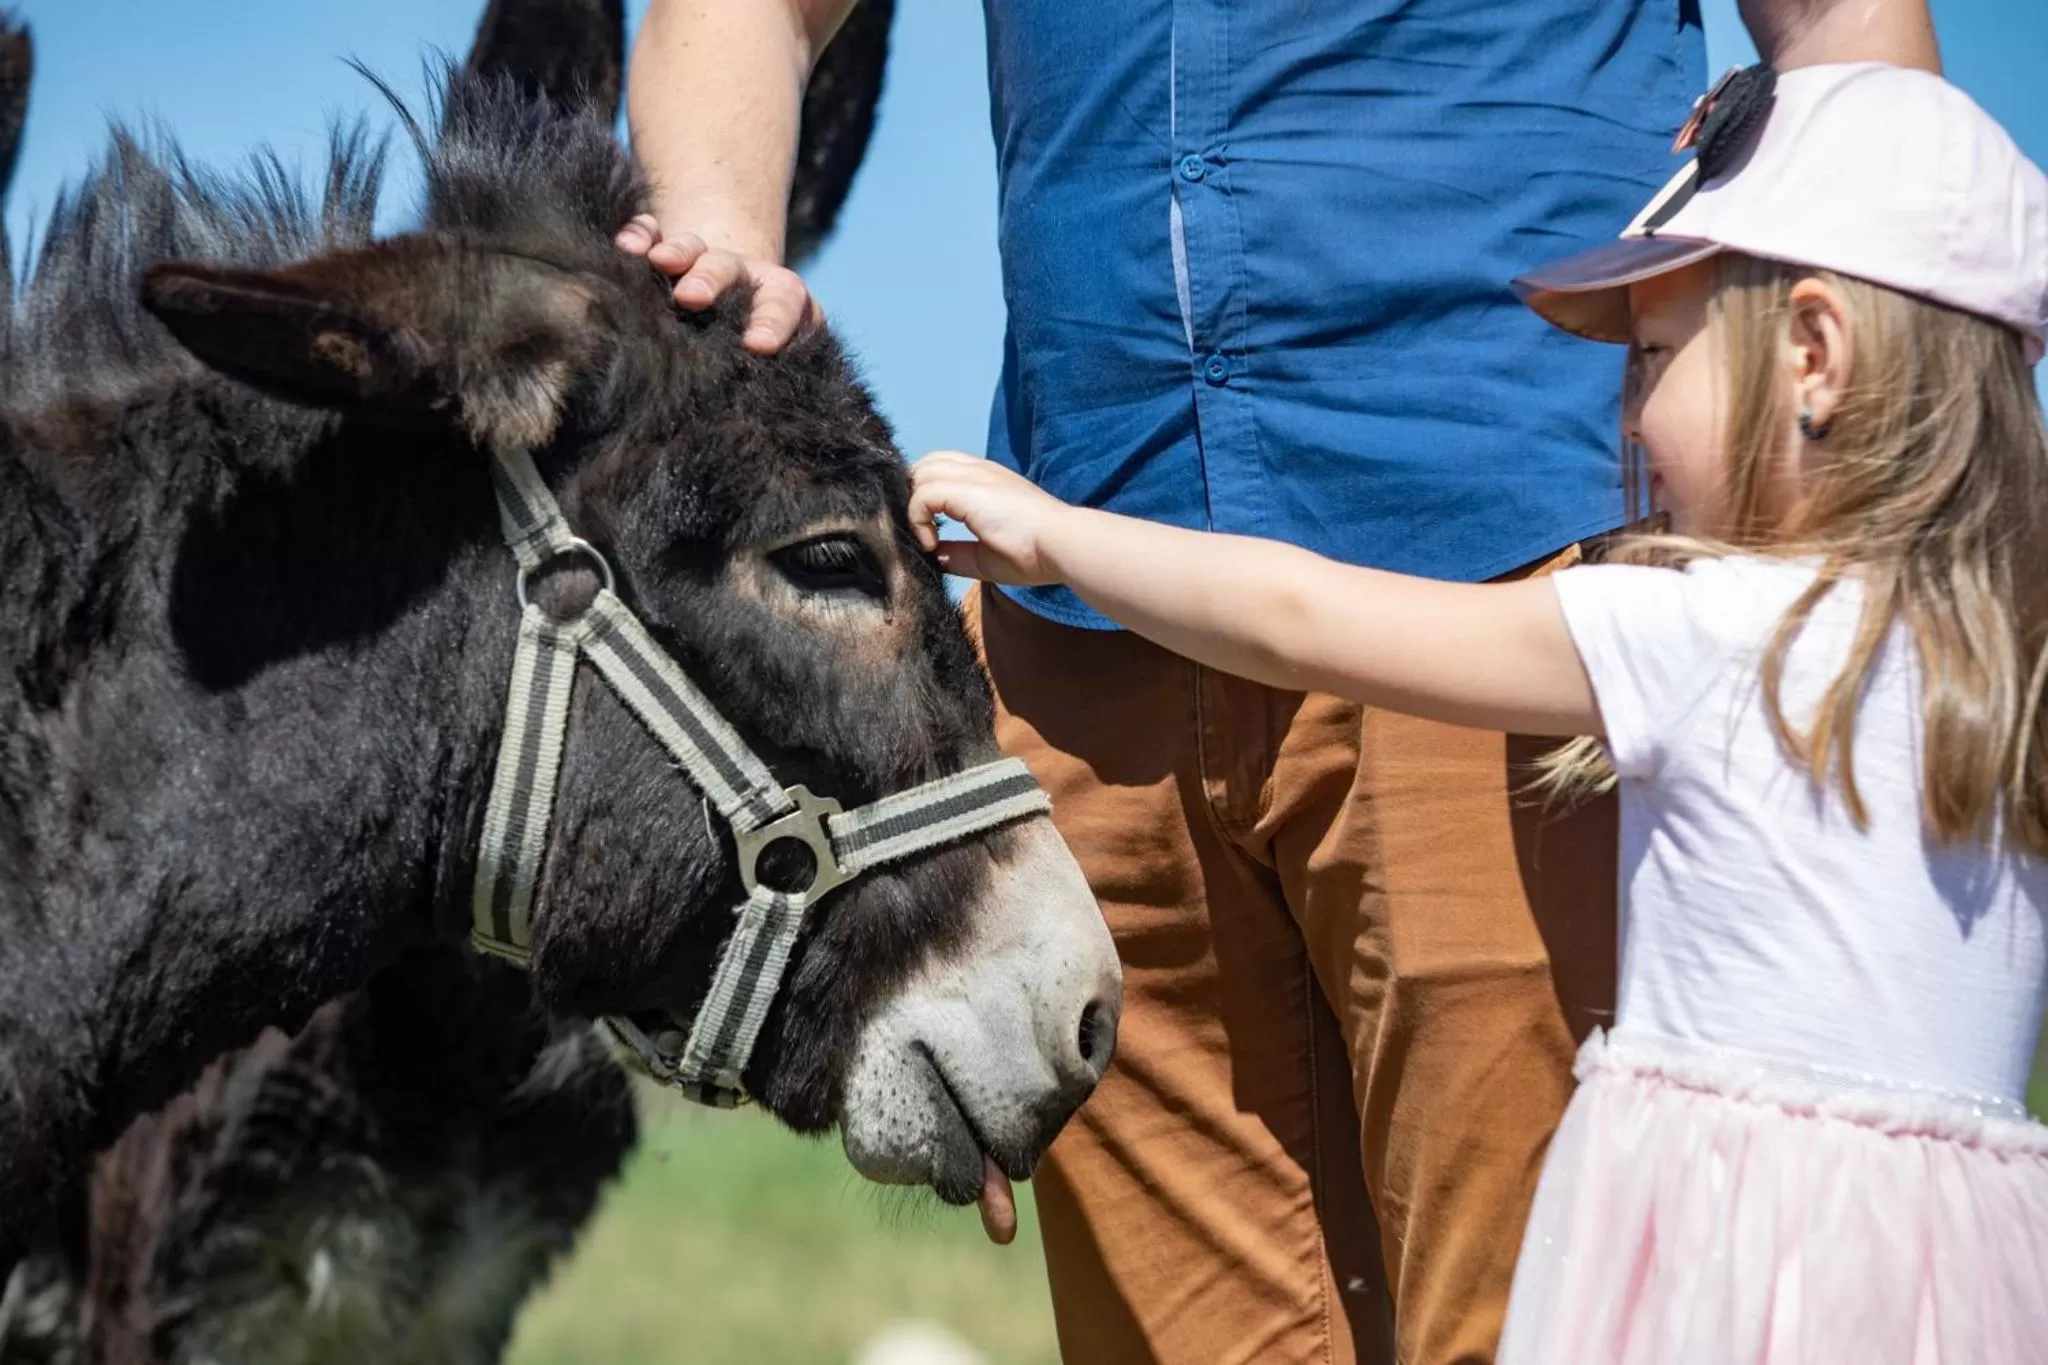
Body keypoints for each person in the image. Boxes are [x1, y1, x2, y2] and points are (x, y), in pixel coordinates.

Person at [619, 2, 1941, 1360]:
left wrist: (1862, 519)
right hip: (1078, 656)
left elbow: (1845, 27)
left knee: (1548, 1328)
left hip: (1527, 612)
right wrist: (717, 282)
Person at [907, 62, 2048, 1364]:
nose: (1629, 413)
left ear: (1812, 353)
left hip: (1715, 1265)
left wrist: (1061, 539)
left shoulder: (1700, 630)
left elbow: (1298, 619)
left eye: (1656, 357)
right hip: (1965, 1278)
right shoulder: (2010, 675)